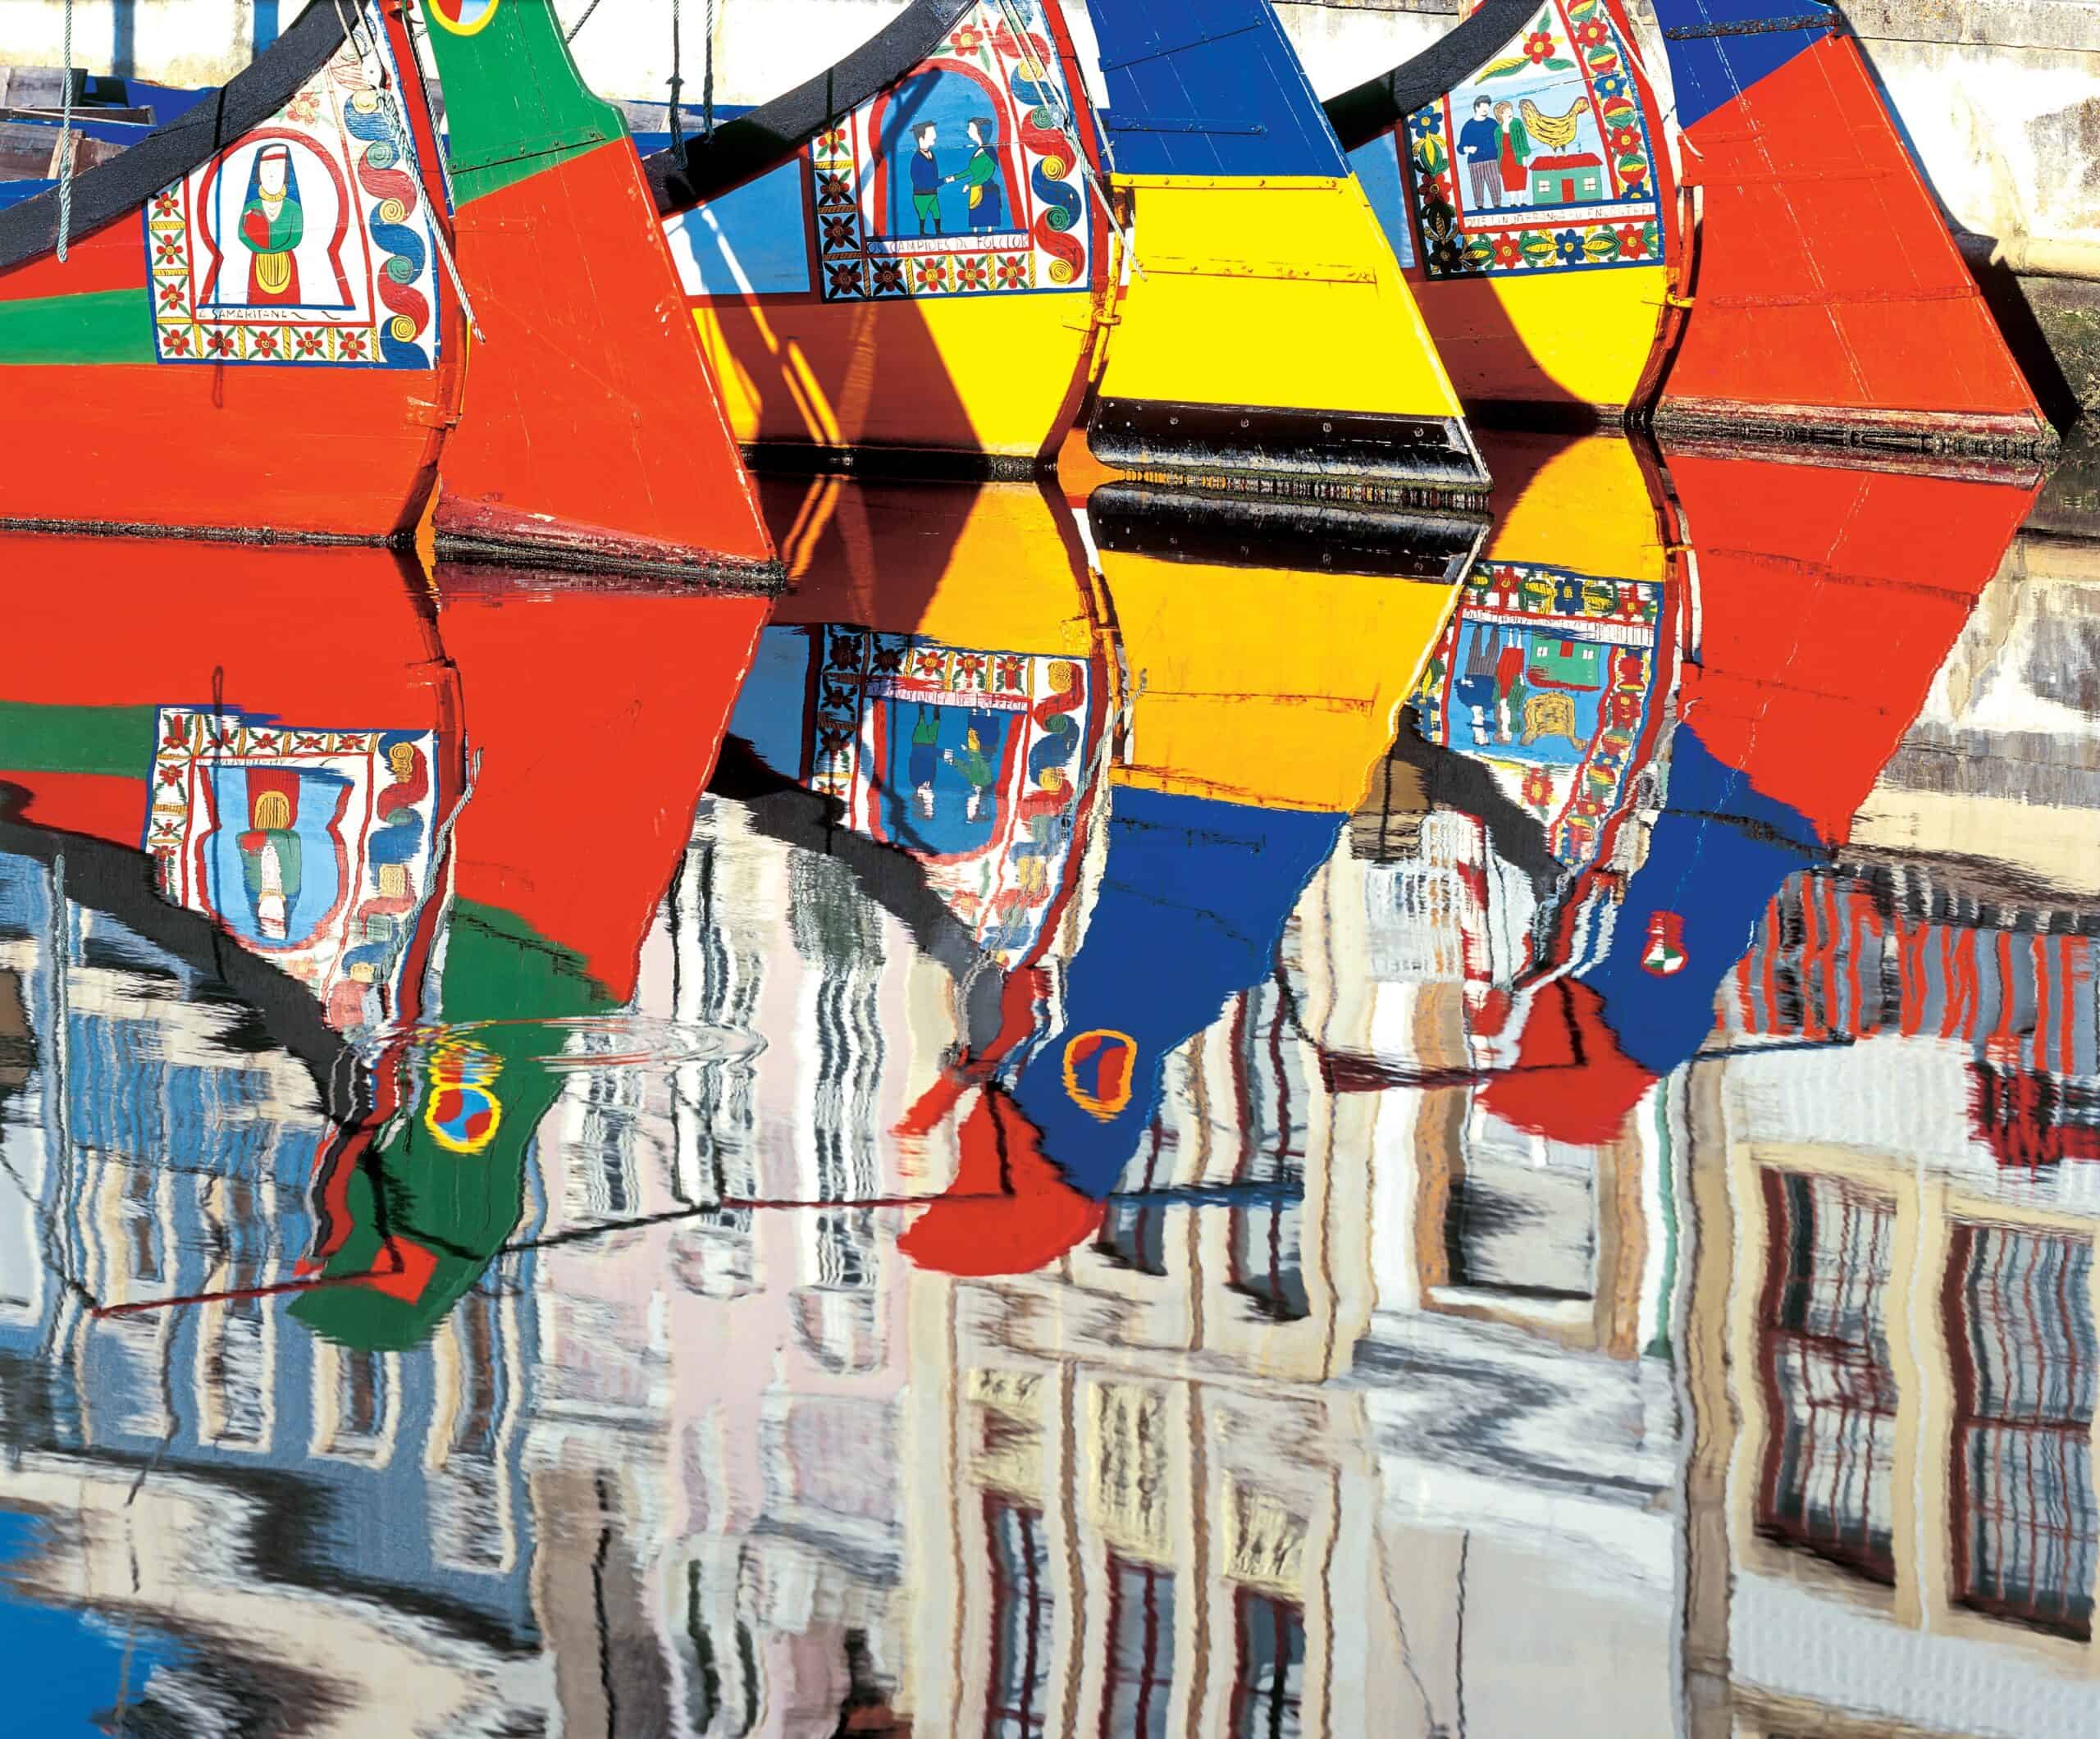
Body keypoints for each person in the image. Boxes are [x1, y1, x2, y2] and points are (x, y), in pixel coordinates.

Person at [239, 144, 305, 303]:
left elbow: (296, 237)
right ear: (258, 172)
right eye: (266, 166)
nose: (271, 174)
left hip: (286, 263)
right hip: (258, 263)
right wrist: (263, 249)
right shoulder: (251, 207)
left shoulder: (293, 207)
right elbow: (242, 234)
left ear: (286, 172)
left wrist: (271, 249)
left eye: (278, 166)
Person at [948, 116, 1005, 234]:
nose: (968, 131)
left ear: (980, 132)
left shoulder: (989, 152)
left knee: (988, 216)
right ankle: (975, 233)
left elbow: (986, 175)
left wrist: (969, 185)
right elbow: (971, 170)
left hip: (987, 189)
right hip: (976, 187)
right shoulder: (979, 150)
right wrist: (954, 177)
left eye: (971, 128)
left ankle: (989, 234)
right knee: (976, 216)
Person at [1457, 96, 1502, 211]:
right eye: (1483, 107)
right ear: (1476, 108)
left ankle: (1498, 207)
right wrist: (1468, 149)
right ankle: (1479, 208)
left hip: (1492, 160)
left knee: (1495, 183)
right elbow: (1460, 148)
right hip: (1475, 162)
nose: (1486, 110)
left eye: (1487, 107)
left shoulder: (1493, 124)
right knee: (1477, 185)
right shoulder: (1468, 126)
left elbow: (1501, 140)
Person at [908, 121, 943, 235]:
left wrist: (936, 183)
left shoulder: (932, 155)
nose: (935, 136)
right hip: (921, 195)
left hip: (933, 193)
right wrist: (939, 182)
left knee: (936, 213)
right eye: (931, 134)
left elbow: (935, 174)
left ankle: (938, 232)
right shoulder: (916, 158)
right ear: (921, 139)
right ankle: (922, 232)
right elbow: (916, 179)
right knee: (922, 215)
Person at [1495, 99, 1531, 203]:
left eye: (1510, 110)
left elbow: (1523, 140)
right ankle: (1512, 202)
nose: (1510, 113)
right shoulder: (1498, 130)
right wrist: (1499, 164)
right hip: (1505, 160)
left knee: (1521, 179)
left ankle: (1522, 201)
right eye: (1506, 111)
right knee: (1509, 181)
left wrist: (1524, 156)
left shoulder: (1517, 123)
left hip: (1518, 158)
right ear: (1501, 115)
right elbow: (1499, 148)